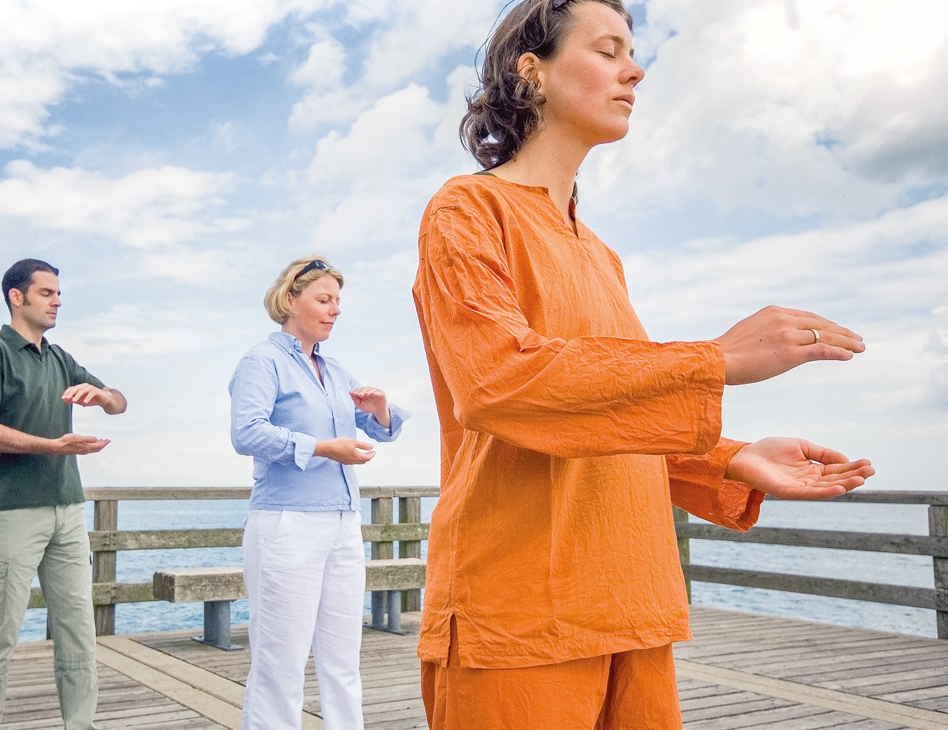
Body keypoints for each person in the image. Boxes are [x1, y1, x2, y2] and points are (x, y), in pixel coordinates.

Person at [411, 1, 877, 728]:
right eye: (607, 50)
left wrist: (730, 460)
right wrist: (716, 360)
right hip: (521, 612)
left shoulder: (603, 257)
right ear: (530, 71)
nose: (635, 69)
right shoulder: (467, 211)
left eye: (632, 51)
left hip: (633, 602)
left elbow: (603, 417)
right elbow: (497, 385)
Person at [229, 256, 410, 730]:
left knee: (342, 658)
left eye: (338, 302)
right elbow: (247, 433)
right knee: (280, 662)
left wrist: (381, 410)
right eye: (324, 299)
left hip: (343, 524)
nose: (335, 310)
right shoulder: (261, 361)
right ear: (291, 300)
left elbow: (379, 430)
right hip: (287, 524)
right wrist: (323, 447)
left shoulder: (334, 370)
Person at [0, 258, 127, 730]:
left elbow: (119, 403)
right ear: (17, 296)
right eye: (47, 293)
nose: (57, 301)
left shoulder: (59, 358)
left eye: (59, 294)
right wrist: (54, 447)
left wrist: (104, 395)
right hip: (13, 512)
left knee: (79, 632)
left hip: (68, 511)